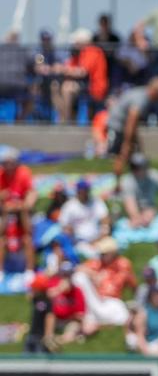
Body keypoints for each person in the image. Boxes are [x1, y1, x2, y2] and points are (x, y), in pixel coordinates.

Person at [106, 77, 158, 187]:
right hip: (119, 127)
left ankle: (134, 184)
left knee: (135, 154)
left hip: (124, 127)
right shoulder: (142, 99)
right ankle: (116, 187)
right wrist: (127, 143)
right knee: (122, 155)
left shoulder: (142, 93)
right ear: (156, 92)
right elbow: (131, 120)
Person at [74, 236, 135, 335]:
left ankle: (97, 325)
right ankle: (86, 317)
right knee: (79, 277)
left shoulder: (123, 264)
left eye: (104, 254)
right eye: (101, 253)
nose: (101, 256)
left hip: (113, 301)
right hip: (96, 299)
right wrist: (94, 275)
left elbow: (133, 284)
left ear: (113, 253)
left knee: (123, 316)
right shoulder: (98, 263)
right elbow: (78, 268)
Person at [51, 28, 108, 124]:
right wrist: (59, 68)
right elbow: (69, 66)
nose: (74, 44)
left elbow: (82, 72)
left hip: (94, 87)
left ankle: (66, 120)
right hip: (83, 85)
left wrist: (63, 69)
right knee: (55, 86)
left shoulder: (92, 51)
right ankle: (62, 117)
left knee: (67, 88)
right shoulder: (80, 53)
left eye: (76, 42)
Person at [0, 147, 36, 276]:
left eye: (9, 163)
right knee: (2, 239)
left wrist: (24, 205)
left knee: (27, 237)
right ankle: (1, 270)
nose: (7, 167)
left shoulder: (23, 173)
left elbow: (31, 193)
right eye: (4, 163)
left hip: (21, 212)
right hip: (5, 212)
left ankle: (30, 270)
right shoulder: (1, 174)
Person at [59, 179, 109, 256]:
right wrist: (72, 235)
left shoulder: (96, 202)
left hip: (97, 238)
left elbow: (105, 218)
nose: (84, 193)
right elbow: (64, 225)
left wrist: (103, 233)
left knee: (110, 249)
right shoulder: (69, 206)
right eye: (82, 191)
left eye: (86, 190)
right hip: (79, 241)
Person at [44, 262, 85, 350]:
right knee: (50, 315)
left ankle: (57, 341)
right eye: (64, 274)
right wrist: (60, 289)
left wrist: (72, 316)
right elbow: (45, 297)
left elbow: (80, 314)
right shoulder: (53, 284)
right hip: (56, 318)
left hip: (69, 319)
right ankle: (48, 338)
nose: (66, 277)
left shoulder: (77, 291)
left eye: (68, 274)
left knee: (73, 326)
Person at [120, 152, 158, 228]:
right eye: (135, 168)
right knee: (136, 222)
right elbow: (130, 203)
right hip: (135, 208)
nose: (138, 170)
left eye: (140, 167)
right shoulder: (127, 180)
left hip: (150, 207)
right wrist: (137, 217)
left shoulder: (154, 175)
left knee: (148, 214)